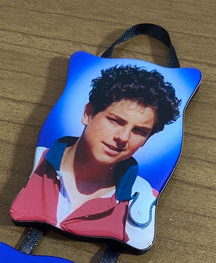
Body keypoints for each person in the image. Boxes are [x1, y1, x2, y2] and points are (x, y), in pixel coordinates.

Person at [10, 64, 181, 250]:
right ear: (88, 114)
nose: (123, 137)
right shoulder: (37, 161)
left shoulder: (144, 199)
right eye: (115, 121)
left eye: (139, 131)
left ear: (146, 140)